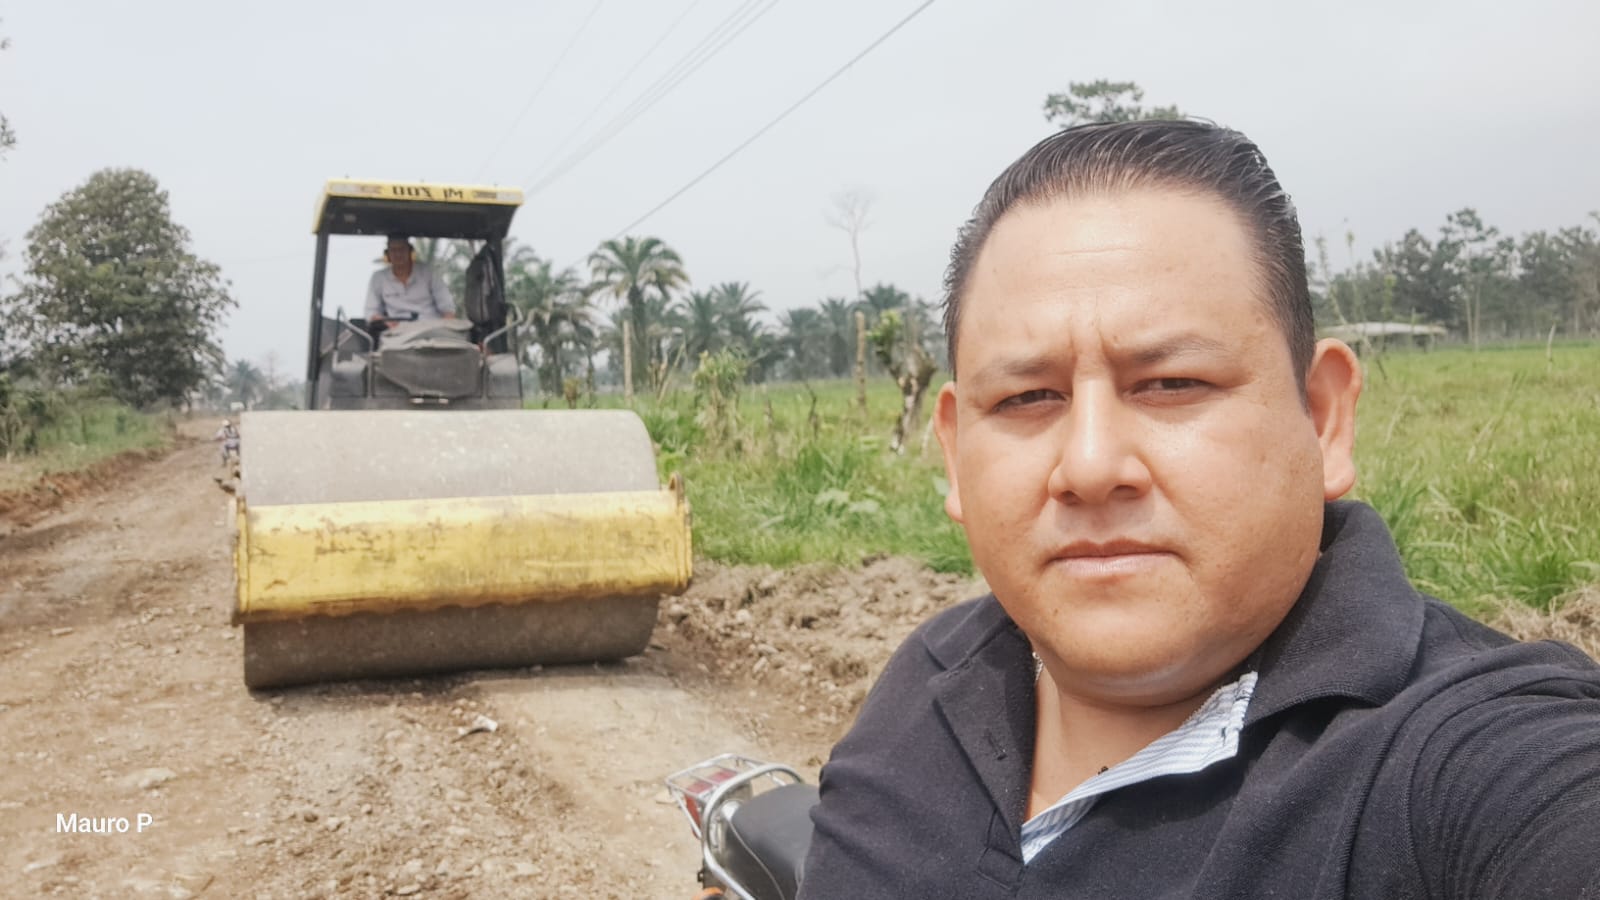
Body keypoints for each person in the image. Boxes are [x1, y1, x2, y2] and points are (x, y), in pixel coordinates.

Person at [798, 120, 1600, 899]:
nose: (1089, 467)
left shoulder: (1471, 764)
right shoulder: (931, 677)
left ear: (1323, 420)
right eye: (1027, 397)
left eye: (1171, 383)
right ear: (954, 453)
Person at [363, 234, 456, 328]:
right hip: (396, 330)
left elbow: (448, 308)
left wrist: (446, 327)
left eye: (402, 249)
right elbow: (371, 312)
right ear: (387, 254)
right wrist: (383, 323)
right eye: (394, 250)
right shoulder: (378, 278)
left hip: (430, 328)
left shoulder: (429, 273)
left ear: (410, 251)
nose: (398, 254)